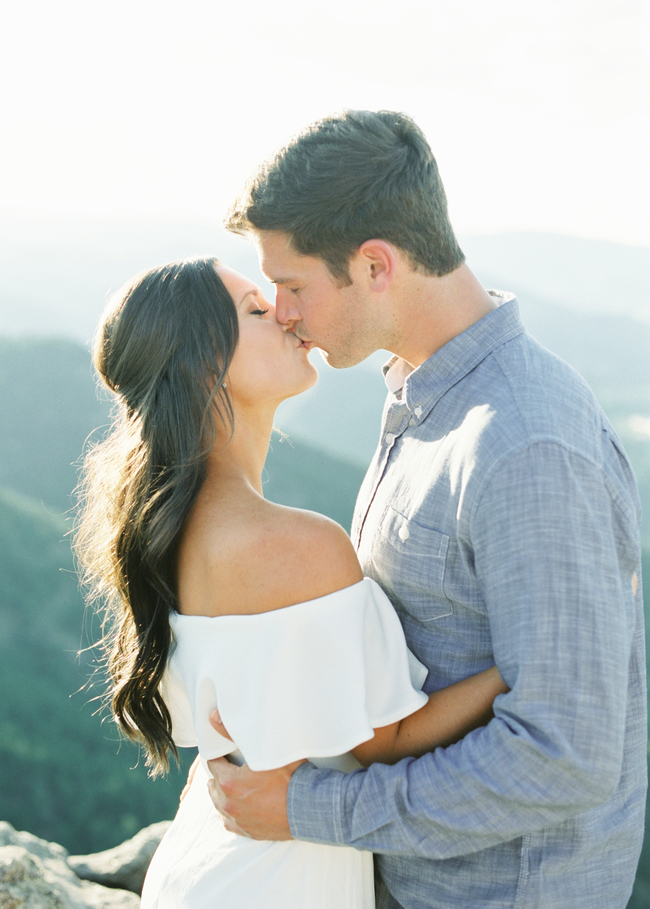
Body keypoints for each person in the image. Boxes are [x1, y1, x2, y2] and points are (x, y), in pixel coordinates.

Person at [205, 110, 647, 908]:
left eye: (294, 284)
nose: (285, 312)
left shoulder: (525, 444)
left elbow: (565, 755)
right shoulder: (425, 393)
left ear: (376, 265)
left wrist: (308, 809)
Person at [74, 256, 509, 909]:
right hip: (276, 882)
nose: (285, 313)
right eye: (255, 310)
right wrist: (521, 661)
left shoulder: (167, 526)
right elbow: (384, 744)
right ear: (202, 367)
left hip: (217, 862)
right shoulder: (296, 546)